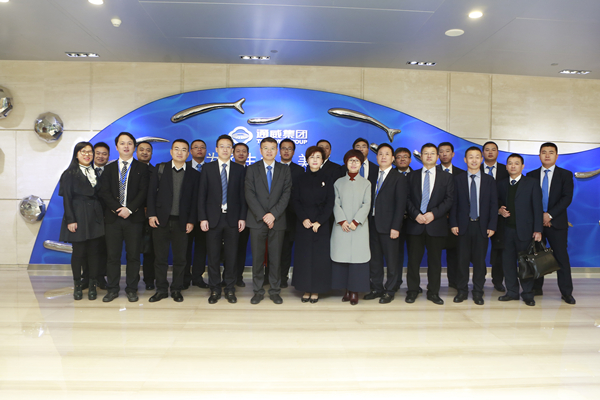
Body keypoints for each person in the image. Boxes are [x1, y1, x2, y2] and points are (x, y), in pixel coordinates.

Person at [99, 132, 149, 303]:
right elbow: (104, 192)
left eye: (129, 143)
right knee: (112, 256)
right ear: (116, 147)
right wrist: (118, 209)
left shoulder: (143, 168)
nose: (126, 146)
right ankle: (112, 289)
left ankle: (132, 289)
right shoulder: (108, 169)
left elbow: (143, 192)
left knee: (133, 256)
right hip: (113, 219)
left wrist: (130, 209)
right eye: (122, 143)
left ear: (134, 147)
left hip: (134, 219)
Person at [146, 139, 199, 303]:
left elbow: (195, 200)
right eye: (176, 149)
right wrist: (151, 215)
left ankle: (176, 289)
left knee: (180, 259)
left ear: (188, 153)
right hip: (160, 220)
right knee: (160, 258)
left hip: (182, 222)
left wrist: (191, 221)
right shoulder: (160, 169)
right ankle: (161, 289)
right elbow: (151, 194)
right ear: (171, 152)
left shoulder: (194, 174)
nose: (179, 152)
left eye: (183, 150)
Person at [199, 135, 247, 304]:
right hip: (213, 219)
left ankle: (230, 288)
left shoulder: (239, 169)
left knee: (231, 256)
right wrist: (203, 218)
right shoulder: (208, 168)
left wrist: (242, 217)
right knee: (213, 256)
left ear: (232, 150)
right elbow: (202, 195)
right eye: (222, 146)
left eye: (228, 146)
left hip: (232, 219)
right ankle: (215, 288)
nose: (225, 149)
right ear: (216, 149)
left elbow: (242, 196)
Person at [526, 143, 575, 304]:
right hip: (536, 223)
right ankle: (535, 288)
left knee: (561, 258)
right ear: (539, 155)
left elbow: (567, 198)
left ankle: (566, 292)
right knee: (535, 256)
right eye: (544, 152)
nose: (547, 155)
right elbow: (529, 199)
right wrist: (540, 216)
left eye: (551, 152)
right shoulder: (531, 175)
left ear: (557, 156)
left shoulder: (565, 175)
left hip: (557, 223)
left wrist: (549, 215)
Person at [245, 137, 292, 304]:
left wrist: (273, 214)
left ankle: (274, 291)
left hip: (277, 220)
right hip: (257, 220)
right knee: (257, 258)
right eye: (266, 148)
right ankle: (257, 291)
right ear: (260, 150)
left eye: (272, 148)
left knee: (275, 258)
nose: (269, 151)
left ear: (277, 151)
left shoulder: (284, 170)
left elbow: (286, 194)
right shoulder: (252, 169)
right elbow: (249, 194)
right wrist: (264, 216)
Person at [405, 143, 454, 305]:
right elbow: (406, 199)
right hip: (415, 224)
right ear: (421, 156)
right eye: (425, 153)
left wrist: (433, 214)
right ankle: (412, 290)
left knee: (435, 262)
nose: (429, 156)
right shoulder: (412, 176)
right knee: (413, 261)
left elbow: (449, 200)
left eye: (432, 153)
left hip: (436, 225)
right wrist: (416, 215)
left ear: (437, 156)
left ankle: (433, 292)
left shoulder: (446, 177)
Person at [450, 147, 497, 305]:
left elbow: (493, 205)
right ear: (465, 160)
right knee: (462, 261)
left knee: (479, 262)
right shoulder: (457, 179)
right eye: (471, 157)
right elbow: (454, 204)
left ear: (482, 159)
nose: (474, 160)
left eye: (477, 157)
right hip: (463, 226)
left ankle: (478, 292)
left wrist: (492, 225)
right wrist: (453, 223)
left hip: (482, 226)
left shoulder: (489, 180)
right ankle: (462, 291)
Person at [59, 142, 105, 300]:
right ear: (76, 154)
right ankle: (77, 286)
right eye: (83, 151)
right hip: (78, 215)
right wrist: (71, 220)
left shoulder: (95, 172)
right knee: (78, 253)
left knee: (94, 252)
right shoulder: (69, 173)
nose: (87, 154)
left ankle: (92, 285)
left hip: (95, 216)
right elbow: (67, 199)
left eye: (90, 152)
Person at [363, 143, 408, 304]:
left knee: (391, 260)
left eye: (387, 154)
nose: (383, 157)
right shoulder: (372, 176)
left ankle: (390, 290)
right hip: (372, 223)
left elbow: (401, 205)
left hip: (390, 227)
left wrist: (396, 227)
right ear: (376, 157)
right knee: (374, 259)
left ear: (393, 158)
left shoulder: (399, 178)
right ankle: (376, 288)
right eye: (380, 154)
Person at [497, 153, 543, 306]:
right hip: (506, 231)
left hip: (526, 231)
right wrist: (499, 210)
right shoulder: (501, 184)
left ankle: (528, 294)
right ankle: (511, 292)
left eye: (516, 163)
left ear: (522, 166)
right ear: (506, 166)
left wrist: (538, 229)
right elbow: (496, 202)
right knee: (508, 263)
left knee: (526, 264)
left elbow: (537, 207)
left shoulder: (532, 183)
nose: (513, 166)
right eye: (510, 163)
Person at [291, 146, 334, 303]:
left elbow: (330, 202)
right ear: (307, 160)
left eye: (318, 157)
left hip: (321, 225)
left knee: (319, 258)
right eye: (311, 157)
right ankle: (306, 288)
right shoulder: (299, 178)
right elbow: (295, 200)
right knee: (304, 257)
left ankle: (316, 289)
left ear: (322, 160)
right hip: (304, 224)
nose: (315, 160)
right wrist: (303, 218)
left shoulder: (328, 178)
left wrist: (319, 221)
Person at [331, 150, 372, 306]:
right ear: (346, 163)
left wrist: (356, 221)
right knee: (342, 259)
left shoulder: (366, 183)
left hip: (358, 227)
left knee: (358, 261)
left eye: (357, 161)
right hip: (342, 227)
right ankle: (346, 289)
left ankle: (355, 291)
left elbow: (366, 204)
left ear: (361, 164)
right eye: (350, 160)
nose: (353, 163)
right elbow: (336, 203)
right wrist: (342, 221)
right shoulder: (338, 182)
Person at [481, 141, 509, 292]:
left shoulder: (506, 170)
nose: (490, 152)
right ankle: (479, 280)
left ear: (498, 152)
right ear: (482, 153)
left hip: (501, 217)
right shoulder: (476, 168)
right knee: (479, 250)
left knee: (499, 250)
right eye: (487, 149)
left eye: (493, 149)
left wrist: (500, 209)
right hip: (479, 217)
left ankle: (498, 280)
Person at [437, 142, 465, 291]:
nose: (444, 154)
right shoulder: (432, 171)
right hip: (437, 219)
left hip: (456, 220)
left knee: (455, 253)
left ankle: (454, 282)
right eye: (441, 151)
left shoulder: (461, 173)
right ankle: (434, 285)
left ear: (453, 154)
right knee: (435, 253)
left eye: (447, 151)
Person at [279, 138, 305, 288]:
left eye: (289, 148)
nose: (286, 151)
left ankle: (283, 277)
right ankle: (269, 276)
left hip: (291, 216)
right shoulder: (273, 167)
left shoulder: (299, 170)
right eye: (283, 148)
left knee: (286, 249)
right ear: (279, 151)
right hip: (274, 216)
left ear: (294, 152)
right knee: (272, 249)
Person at [185, 139, 209, 289]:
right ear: (190, 151)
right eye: (196, 147)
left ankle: (198, 277)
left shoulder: (211, 168)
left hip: (205, 216)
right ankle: (184, 277)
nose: (199, 150)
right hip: (187, 215)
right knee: (185, 248)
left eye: (202, 147)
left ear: (206, 151)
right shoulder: (184, 166)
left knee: (201, 248)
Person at [392, 147, 412, 292]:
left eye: (405, 156)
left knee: (414, 254)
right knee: (395, 254)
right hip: (394, 221)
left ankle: (413, 285)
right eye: (399, 157)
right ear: (394, 160)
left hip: (413, 221)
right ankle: (395, 281)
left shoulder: (417, 175)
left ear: (410, 160)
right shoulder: (390, 175)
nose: (402, 159)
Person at [136, 140, 156, 290]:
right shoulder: (129, 170)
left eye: (148, 150)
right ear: (136, 152)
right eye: (141, 149)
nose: (145, 152)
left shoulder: (155, 171)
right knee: (133, 250)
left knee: (150, 250)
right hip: (132, 215)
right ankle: (133, 281)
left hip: (150, 216)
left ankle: (149, 280)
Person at [91, 141, 110, 290]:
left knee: (104, 248)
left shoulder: (111, 171)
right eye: (98, 153)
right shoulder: (85, 170)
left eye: (104, 154)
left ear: (108, 156)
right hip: (89, 217)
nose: (101, 156)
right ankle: (87, 277)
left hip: (107, 217)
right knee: (88, 248)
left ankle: (101, 277)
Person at [233, 142, 250, 286]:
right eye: (238, 151)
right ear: (233, 153)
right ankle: (228, 277)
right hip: (230, 216)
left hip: (248, 216)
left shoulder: (251, 171)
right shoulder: (227, 169)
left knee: (241, 248)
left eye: (244, 151)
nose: (241, 153)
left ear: (248, 154)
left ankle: (238, 276)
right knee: (228, 249)